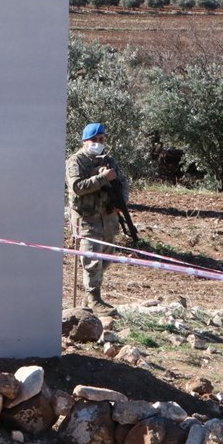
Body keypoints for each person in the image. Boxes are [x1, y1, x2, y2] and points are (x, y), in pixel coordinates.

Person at [65, 122, 129, 315]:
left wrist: (121, 202)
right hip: (87, 218)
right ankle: (94, 299)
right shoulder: (76, 161)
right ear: (85, 141)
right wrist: (102, 179)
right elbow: (77, 187)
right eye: (94, 139)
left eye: (101, 139)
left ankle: (88, 298)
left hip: (108, 217)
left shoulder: (108, 160)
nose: (98, 143)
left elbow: (123, 182)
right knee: (92, 259)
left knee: (106, 258)